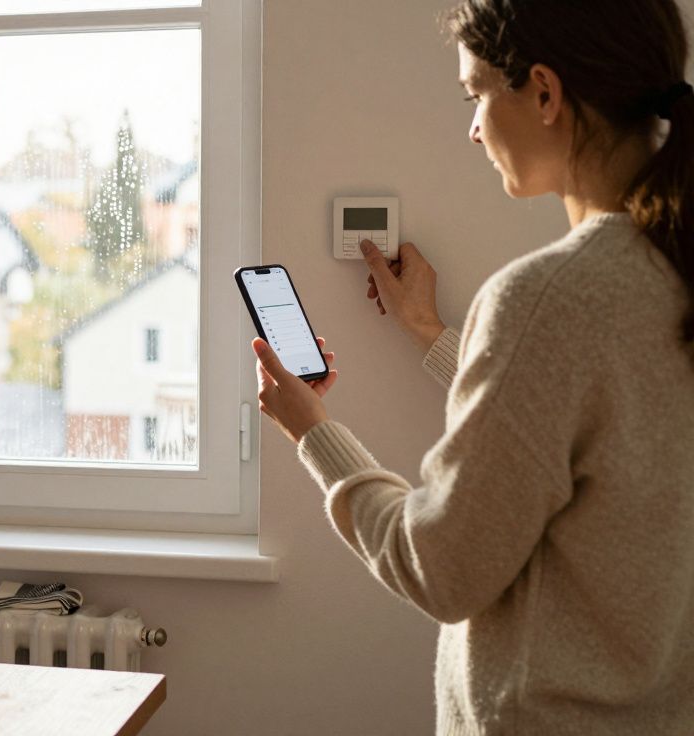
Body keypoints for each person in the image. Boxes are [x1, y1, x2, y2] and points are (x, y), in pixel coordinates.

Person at [251, 0, 694, 732]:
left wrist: (314, 433)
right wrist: (428, 330)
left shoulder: (550, 300)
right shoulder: (663, 272)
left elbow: (440, 567)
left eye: (475, 94)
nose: (474, 126)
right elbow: (586, 428)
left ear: (545, 93)